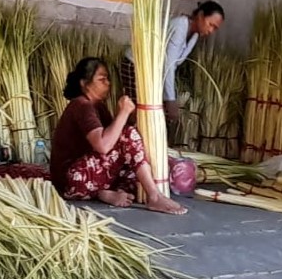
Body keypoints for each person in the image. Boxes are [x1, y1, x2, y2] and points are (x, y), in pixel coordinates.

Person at [50, 57, 187, 215]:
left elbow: (116, 141)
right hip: (72, 180)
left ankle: (103, 193)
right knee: (128, 134)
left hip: (88, 177)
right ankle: (154, 196)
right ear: (84, 83)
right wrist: (123, 113)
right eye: (102, 79)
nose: (108, 83)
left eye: (108, 79)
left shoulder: (98, 107)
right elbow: (103, 145)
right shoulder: (82, 105)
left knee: (137, 174)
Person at [120, 0, 225, 124]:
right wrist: (170, 99)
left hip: (150, 71)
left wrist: (168, 96)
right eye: (211, 24)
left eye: (215, 28)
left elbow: (172, 65)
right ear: (201, 15)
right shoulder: (180, 26)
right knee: (138, 112)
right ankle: (129, 140)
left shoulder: (194, 35)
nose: (211, 30)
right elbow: (168, 65)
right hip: (135, 65)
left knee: (149, 114)